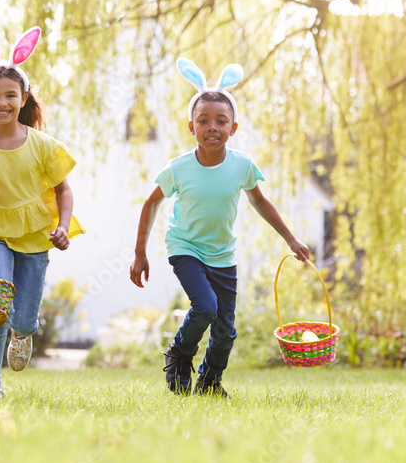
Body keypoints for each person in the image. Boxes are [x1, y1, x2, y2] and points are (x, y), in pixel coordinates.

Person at [129, 58, 311, 397]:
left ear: (234, 128)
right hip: (186, 248)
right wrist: (140, 253)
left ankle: (210, 382)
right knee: (206, 307)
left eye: (220, 121)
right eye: (204, 120)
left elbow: (260, 202)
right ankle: (180, 354)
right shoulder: (179, 168)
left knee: (226, 331)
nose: (212, 126)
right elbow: (151, 202)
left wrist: (291, 238)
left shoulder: (242, 166)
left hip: (223, 254)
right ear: (191, 127)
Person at [0, 27, 84, 395]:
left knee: (23, 318)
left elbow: (64, 190)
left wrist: (62, 226)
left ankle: (23, 333)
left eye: (10, 95)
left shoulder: (43, 144)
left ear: (24, 97)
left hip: (35, 234)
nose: (2, 103)